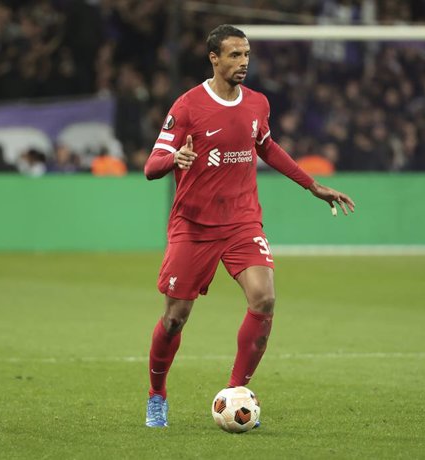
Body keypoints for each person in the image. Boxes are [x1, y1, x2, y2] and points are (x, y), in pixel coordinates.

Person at [142, 24, 355, 428]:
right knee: (174, 318)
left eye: (247, 55)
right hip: (194, 225)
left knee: (265, 298)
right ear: (214, 58)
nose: (243, 63)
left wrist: (311, 185)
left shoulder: (257, 103)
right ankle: (157, 395)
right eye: (235, 55)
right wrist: (176, 160)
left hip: (241, 220)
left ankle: (237, 391)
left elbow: (267, 147)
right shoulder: (187, 107)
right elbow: (152, 166)